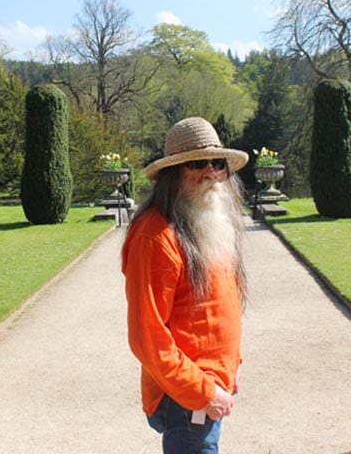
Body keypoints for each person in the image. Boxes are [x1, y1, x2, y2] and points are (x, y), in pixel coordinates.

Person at [122, 117, 249, 454]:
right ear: (172, 173)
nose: (211, 172)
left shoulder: (202, 222)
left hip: (206, 386)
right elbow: (147, 337)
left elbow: (220, 303)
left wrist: (233, 363)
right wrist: (204, 392)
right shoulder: (156, 236)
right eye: (197, 163)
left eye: (218, 163)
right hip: (185, 395)